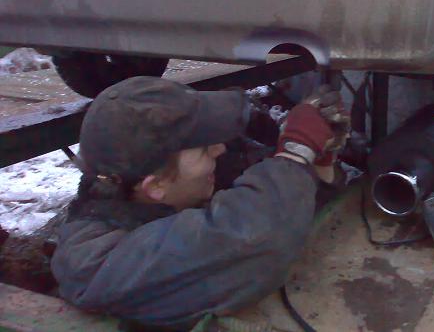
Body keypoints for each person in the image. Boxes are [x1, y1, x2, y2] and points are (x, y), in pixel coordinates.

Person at [51, 76, 349, 331]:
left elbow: (284, 206)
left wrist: (318, 159)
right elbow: (254, 237)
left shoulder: (178, 182)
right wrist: (296, 151)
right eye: (205, 148)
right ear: (156, 186)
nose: (219, 149)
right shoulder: (96, 266)